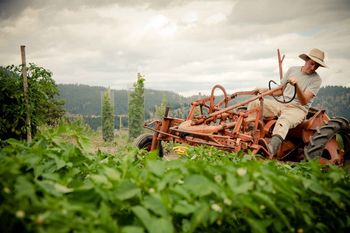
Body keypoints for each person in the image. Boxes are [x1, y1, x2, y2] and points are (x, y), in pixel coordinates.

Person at [246, 48, 327, 156]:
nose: (313, 68)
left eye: (316, 66)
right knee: (255, 103)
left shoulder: (316, 80)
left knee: (284, 120)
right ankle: (248, 135)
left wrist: (297, 86)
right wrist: (263, 90)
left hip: (297, 109)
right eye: (311, 64)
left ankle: (270, 150)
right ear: (306, 60)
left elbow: (304, 101)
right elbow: (280, 91)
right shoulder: (292, 70)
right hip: (281, 103)